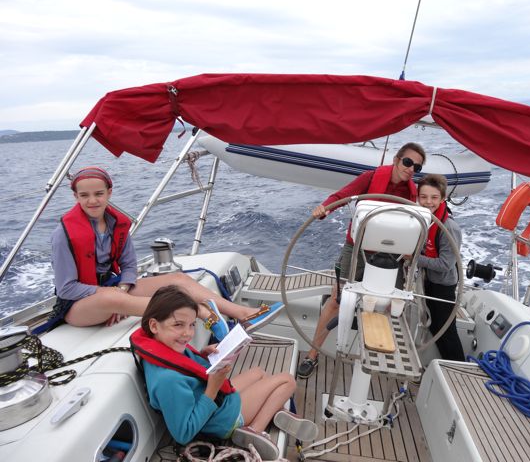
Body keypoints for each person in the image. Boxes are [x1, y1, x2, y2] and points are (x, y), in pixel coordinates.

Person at [49, 166, 282, 333]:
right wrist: (116, 298)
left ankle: (243, 314)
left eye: (99, 194)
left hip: (113, 289)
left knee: (178, 280)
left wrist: (122, 290)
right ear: (75, 197)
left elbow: (129, 266)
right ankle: (202, 313)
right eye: (84, 195)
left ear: (109, 193)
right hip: (76, 306)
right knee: (111, 297)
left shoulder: (115, 224)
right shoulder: (63, 234)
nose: (92, 201)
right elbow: (67, 288)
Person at [131, 285, 318, 460]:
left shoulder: (161, 345)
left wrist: (203, 356)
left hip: (217, 403)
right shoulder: (168, 380)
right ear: (154, 325)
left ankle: (274, 411)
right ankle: (254, 430)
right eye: (178, 325)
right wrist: (212, 389)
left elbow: (185, 371)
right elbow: (183, 434)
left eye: (192, 324)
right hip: (223, 420)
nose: (187, 333)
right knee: (287, 381)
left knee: (259, 373)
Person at [296, 142, 426, 378]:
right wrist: (325, 208)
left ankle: (379, 359)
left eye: (416, 167)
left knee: (388, 305)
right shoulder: (370, 177)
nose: (411, 169)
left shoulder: (411, 193)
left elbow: (416, 222)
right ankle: (312, 355)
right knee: (336, 301)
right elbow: (342, 195)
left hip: (389, 254)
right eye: (408, 162)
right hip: (357, 248)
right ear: (396, 160)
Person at [415, 174, 465, 361]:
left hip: (443, 286)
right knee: (435, 326)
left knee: (446, 331)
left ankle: (458, 367)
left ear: (443, 198)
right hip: (429, 281)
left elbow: (445, 264)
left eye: (434, 197)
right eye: (424, 197)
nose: (428, 202)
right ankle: (444, 363)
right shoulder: (426, 219)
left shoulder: (449, 227)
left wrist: (414, 259)